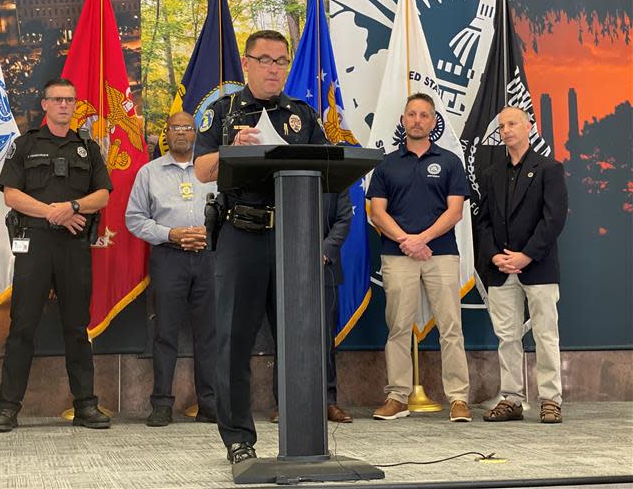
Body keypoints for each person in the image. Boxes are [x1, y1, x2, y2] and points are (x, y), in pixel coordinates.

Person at [194, 29, 328, 464]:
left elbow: (328, 166)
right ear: (247, 63)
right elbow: (200, 170)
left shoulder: (302, 115)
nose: (274, 68)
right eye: (265, 59)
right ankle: (237, 438)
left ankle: (301, 433)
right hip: (241, 236)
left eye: (281, 61)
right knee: (233, 338)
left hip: (293, 237)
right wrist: (231, 150)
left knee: (300, 338)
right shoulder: (223, 112)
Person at [0, 78, 113, 433]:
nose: (64, 105)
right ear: (44, 104)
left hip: (73, 246)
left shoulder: (87, 147)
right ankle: (7, 408)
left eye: (70, 100)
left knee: (76, 328)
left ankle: (86, 406)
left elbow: (102, 195)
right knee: (22, 326)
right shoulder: (26, 145)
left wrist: (72, 206)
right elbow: (11, 195)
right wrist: (52, 212)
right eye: (57, 99)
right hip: (35, 243)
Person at [366, 92, 472, 423]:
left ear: (434, 122)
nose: (417, 120)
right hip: (397, 256)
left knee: (451, 327)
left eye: (424, 115)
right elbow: (375, 212)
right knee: (398, 327)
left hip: (441, 254)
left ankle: (458, 398)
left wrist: (422, 239)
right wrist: (405, 241)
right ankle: (397, 396)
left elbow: (455, 211)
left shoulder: (451, 161)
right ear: (403, 120)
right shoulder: (386, 163)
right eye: (411, 114)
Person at [477, 106, 568, 424]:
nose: (506, 130)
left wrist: (526, 255)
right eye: (502, 126)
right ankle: (512, 398)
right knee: (507, 337)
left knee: (546, 333)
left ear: (528, 126)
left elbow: (554, 219)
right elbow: (483, 222)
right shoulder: (491, 174)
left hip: (538, 266)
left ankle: (550, 399)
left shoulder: (549, 169)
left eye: (512, 123)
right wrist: (493, 256)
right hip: (501, 269)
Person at [125, 111, 217, 427]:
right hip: (168, 258)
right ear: (166, 133)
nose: (181, 133)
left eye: (187, 128)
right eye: (175, 127)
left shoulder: (213, 170)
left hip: (208, 258)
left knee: (210, 333)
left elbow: (229, 212)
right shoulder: (148, 173)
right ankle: (161, 403)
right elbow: (134, 219)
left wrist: (209, 233)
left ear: (196, 133)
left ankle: (210, 404)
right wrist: (171, 234)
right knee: (165, 333)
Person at [270, 189, 354, 424]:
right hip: (282, 264)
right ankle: (284, 404)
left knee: (325, 339)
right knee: (285, 337)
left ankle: (328, 401)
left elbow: (344, 217)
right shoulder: (279, 169)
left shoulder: (332, 175)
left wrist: (324, 251)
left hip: (323, 267)